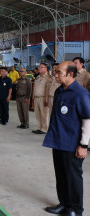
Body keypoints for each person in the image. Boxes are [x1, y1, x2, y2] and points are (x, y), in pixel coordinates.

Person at [43, 61, 90, 216]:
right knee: (61, 175)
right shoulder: (59, 91)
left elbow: (87, 120)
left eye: (59, 73)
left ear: (70, 74)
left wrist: (83, 145)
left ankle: (76, 209)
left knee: (73, 177)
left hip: (72, 143)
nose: (55, 75)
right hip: (58, 140)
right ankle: (64, 204)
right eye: (55, 72)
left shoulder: (81, 94)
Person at [32, 63, 53, 134]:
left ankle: (44, 129)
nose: (39, 68)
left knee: (44, 114)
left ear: (46, 68)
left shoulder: (48, 78)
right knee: (38, 114)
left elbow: (48, 90)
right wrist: (33, 98)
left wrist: (46, 99)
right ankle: (39, 127)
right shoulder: (38, 77)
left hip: (43, 98)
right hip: (36, 98)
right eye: (39, 67)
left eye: (41, 67)